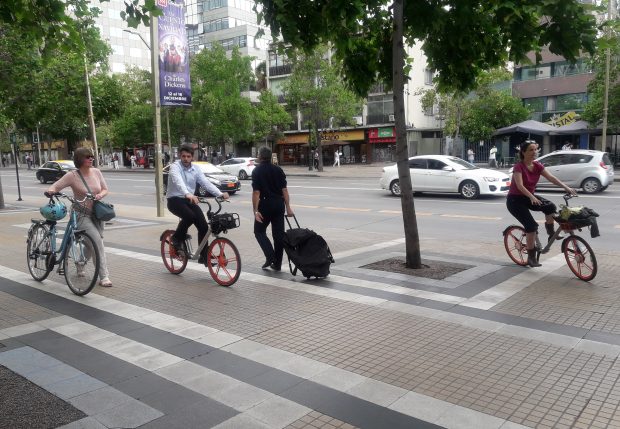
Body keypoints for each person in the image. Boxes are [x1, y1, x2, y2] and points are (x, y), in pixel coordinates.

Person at [45, 148, 113, 287]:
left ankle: (80, 263)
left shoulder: (96, 172)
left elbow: (105, 189)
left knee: (91, 243)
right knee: (97, 242)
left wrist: (100, 194)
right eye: (88, 157)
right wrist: (50, 191)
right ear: (80, 159)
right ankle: (104, 276)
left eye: (92, 156)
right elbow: (56, 186)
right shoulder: (72, 176)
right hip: (80, 214)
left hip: (97, 214)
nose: (91, 158)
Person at [506, 140, 576, 268]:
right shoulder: (519, 167)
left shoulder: (537, 166)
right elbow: (520, 186)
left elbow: (552, 178)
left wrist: (566, 187)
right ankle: (531, 258)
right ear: (523, 152)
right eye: (531, 150)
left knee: (550, 207)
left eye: (535, 150)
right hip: (515, 200)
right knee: (531, 226)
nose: (534, 152)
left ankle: (551, 234)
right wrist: (532, 196)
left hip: (529, 197)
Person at [166, 143, 229, 263]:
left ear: (192, 157)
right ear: (180, 156)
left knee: (204, 227)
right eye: (183, 156)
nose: (185, 159)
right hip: (174, 200)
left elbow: (206, 183)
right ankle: (176, 239)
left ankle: (203, 255)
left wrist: (220, 194)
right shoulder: (175, 167)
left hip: (189, 199)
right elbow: (178, 182)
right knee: (189, 216)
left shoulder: (196, 169)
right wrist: (187, 194)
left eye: (188, 156)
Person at [252, 146, 294, 271]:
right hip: (279, 205)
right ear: (270, 157)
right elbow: (284, 190)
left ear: (260, 156)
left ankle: (270, 256)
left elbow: (256, 193)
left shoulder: (257, 171)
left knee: (259, 232)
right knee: (278, 235)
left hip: (265, 205)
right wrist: (288, 208)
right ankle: (277, 264)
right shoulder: (278, 169)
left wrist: (255, 210)